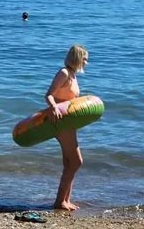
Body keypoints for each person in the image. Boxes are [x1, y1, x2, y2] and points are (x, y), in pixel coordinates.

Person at [45, 44, 89, 211]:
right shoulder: (64, 73)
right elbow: (48, 94)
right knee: (77, 161)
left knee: (69, 162)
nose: (87, 62)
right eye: (85, 58)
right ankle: (59, 201)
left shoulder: (73, 75)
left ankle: (65, 200)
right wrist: (54, 107)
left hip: (69, 122)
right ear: (77, 58)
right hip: (60, 122)